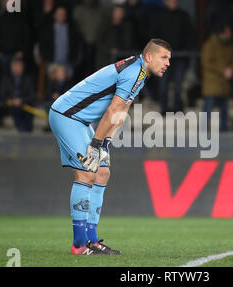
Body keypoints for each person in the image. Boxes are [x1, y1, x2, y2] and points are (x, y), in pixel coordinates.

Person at [49, 39, 171, 255]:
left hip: (80, 121)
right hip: (67, 116)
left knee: (102, 172)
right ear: (149, 57)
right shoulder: (134, 72)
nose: (167, 63)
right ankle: (79, 244)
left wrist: (105, 142)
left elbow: (121, 111)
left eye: (169, 58)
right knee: (86, 173)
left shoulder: (139, 73)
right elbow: (112, 109)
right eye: (164, 57)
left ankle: (92, 240)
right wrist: (95, 144)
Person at [201, 24, 233, 132]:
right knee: (208, 109)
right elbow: (206, 63)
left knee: (224, 111)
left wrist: (231, 69)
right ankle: (203, 131)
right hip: (212, 84)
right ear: (222, 33)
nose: (230, 34)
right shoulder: (210, 45)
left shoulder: (229, 46)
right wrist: (223, 70)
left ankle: (224, 132)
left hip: (224, 84)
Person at [0, 58, 36, 132]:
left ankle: (25, 134)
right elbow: (2, 95)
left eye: (21, 66)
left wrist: (21, 100)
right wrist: (12, 101)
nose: (21, 68)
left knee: (27, 120)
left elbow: (32, 96)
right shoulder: (6, 79)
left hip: (26, 106)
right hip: (12, 107)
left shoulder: (27, 78)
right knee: (17, 114)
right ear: (13, 67)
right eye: (19, 66)